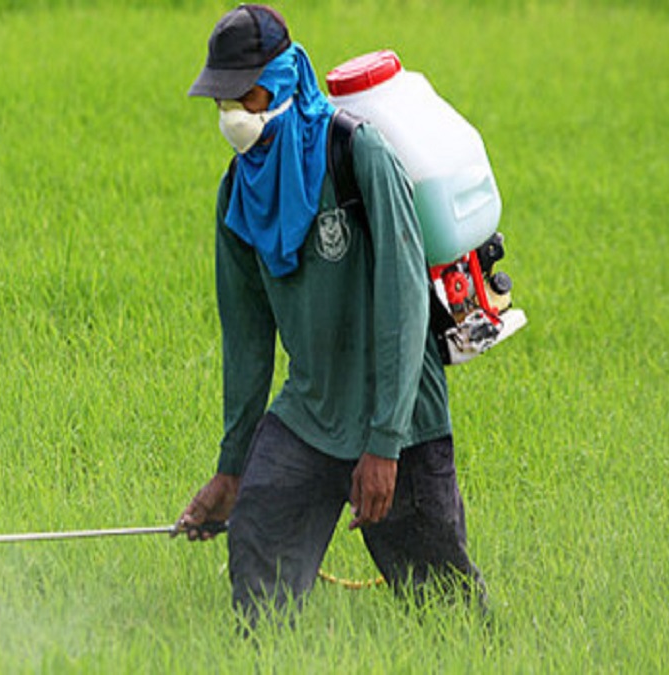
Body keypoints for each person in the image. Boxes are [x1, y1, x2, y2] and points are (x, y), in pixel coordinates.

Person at [175, 4, 485, 624]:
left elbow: (403, 301)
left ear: (286, 78)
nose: (232, 114)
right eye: (221, 101)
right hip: (312, 411)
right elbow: (246, 342)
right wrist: (231, 471)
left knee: (442, 603)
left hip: (398, 416)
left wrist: (385, 445)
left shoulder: (357, 154)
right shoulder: (239, 191)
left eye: (246, 94)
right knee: (258, 551)